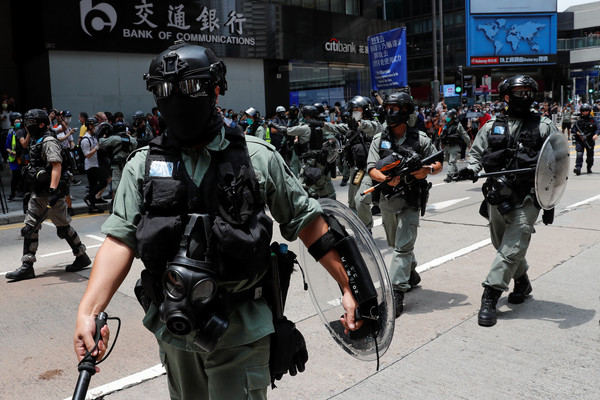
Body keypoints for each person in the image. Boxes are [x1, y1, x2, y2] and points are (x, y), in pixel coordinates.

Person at [73, 41, 365, 400]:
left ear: (215, 90)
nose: (178, 98)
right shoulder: (143, 166)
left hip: (241, 328)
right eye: (165, 90)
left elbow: (309, 224)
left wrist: (348, 286)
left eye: (191, 87)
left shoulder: (257, 158)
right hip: (175, 327)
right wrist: (89, 311)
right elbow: (120, 240)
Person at [454, 75, 559, 327]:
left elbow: (558, 165)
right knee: (501, 244)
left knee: (512, 246)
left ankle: (490, 295)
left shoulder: (544, 126)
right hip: (496, 196)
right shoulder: (491, 126)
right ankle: (522, 281)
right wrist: (470, 168)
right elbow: (477, 154)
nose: (525, 97)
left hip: (527, 198)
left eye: (529, 92)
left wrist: (550, 202)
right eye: (519, 92)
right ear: (507, 96)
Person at [366, 92, 442, 317]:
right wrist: (385, 178)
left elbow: (438, 162)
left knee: (402, 247)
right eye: (388, 108)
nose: (390, 112)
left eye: (395, 108)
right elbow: (371, 168)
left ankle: (397, 293)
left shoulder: (420, 139)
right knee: (395, 243)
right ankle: (411, 273)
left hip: (410, 200)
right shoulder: (379, 139)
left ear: (406, 111)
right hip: (388, 199)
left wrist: (425, 171)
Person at [5, 109, 91, 281]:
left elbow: (56, 166)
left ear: (41, 124)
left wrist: (53, 191)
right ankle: (27, 266)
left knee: (63, 227)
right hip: (37, 192)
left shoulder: (49, 141)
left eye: (30, 123)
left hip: (50, 194)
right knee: (30, 227)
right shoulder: (36, 140)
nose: (26, 126)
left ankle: (81, 256)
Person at [98, 120, 137, 201]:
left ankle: (115, 205)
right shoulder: (130, 138)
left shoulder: (114, 138)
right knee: (127, 184)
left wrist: (102, 134)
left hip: (117, 165)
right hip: (127, 164)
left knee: (116, 185)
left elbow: (102, 143)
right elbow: (135, 144)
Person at [80, 117, 108, 212]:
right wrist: (96, 148)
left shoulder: (93, 137)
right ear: (90, 126)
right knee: (103, 182)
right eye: (95, 126)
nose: (96, 128)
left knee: (93, 185)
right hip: (90, 166)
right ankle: (88, 197)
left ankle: (92, 207)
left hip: (95, 164)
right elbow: (87, 155)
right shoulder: (85, 140)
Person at [439, 109, 470, 182]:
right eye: (447, 116)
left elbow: (464, 134)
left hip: (455, 146)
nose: (447, 117)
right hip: (447, 145)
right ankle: (455, 173)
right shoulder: (447, 125)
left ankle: (449, 176)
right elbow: (442, 134)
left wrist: (469, 144)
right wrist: (442, 143)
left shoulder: (458, 125)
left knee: (451, 161)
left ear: (453, 117)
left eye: (449, 116)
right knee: (449, 160)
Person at [571, 103, 598, 175]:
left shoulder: (592, 119)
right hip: (580, 140)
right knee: (579, 154)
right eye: (583, 111)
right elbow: (573, 129)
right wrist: (577, 133)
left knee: (590, 157)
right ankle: (578, 168)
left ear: (589, 111)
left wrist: (596, 134)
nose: (585, 112)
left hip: (589, 140)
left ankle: (589, 167)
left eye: (586, 111)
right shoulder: (578, 120)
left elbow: (598, 128)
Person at [5, 112, 24, 200]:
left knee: (24, 176)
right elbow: (7, 147)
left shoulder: (24, 132)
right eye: (16, 122)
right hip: (15, 159)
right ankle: (12, 194)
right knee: (15, 177)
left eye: (19, 121)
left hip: (23, 158)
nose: (18, 123)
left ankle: (22, 191)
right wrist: (13, 153)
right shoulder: (11, 134)